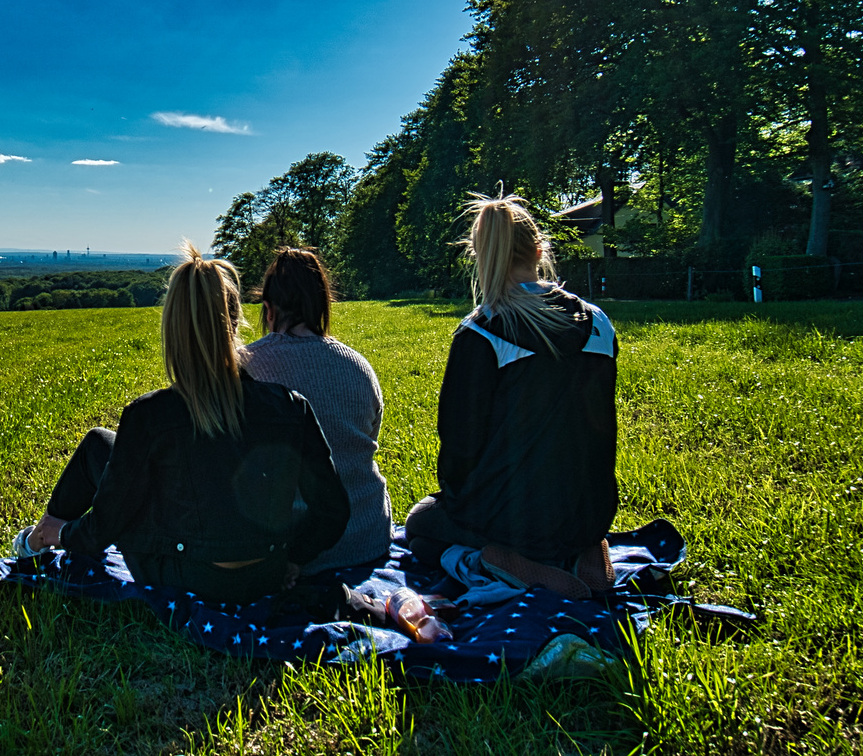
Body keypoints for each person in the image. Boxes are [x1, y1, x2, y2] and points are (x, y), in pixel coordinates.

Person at [14, 242, 350, 603]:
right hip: (265, 575)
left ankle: (38, 539)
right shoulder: (289, 407)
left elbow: (103, 529)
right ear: (235, 322)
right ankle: (42, 535)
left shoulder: (150, 416)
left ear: (171, 328)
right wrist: (292, 558)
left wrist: (61, 535)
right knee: (102, 444)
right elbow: (333, 511)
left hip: (183, 574)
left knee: (98, 445)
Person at [404, 192, 620, 599]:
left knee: (421, 526)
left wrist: (454, 500)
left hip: (512, 517)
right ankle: (588, 547)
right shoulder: (598, 323)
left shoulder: (482, 332)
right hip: (589, 506)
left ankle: (500, 561)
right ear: (539, 250)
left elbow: (459, 446)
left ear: (480, 256)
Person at [243, 248, 394, 574]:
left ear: (268, 309)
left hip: (286, 550)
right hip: (367, 539)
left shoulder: (245, 367)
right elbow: (368, 438)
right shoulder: (359, 367)